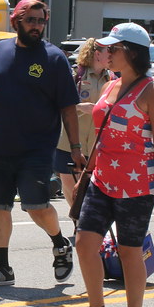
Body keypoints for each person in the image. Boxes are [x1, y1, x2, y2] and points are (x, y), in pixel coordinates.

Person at [62, 23, 154, 307]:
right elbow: (105, 131)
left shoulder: (153, 91)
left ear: (132, 52)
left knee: (129, 254)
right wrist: (89, 166)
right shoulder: (111, 85)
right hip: (102, 180)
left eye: (113, 49)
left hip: (138, 185)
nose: (106, 54)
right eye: (105, 49)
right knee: (84, 243)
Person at [0, 0, 83, 288]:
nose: (37, 26)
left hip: (36, 146)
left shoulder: (55, 58)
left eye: (41, 21)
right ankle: (2, 267)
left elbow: (68, 108)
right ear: (16, 22)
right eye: (31, 20)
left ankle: (60, 244)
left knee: (35, 205)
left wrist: (75, 148)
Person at [54, 38, 111, 209]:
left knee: (88, 185)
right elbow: (57, 102)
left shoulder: (112, 78)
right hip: (70, 140)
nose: (111, 55)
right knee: (67, 182)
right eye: (108, 51)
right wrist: (80, 106)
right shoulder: (75, 75)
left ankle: (83, 220)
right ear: (96, 54)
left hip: (95, 142)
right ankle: (76, 220)